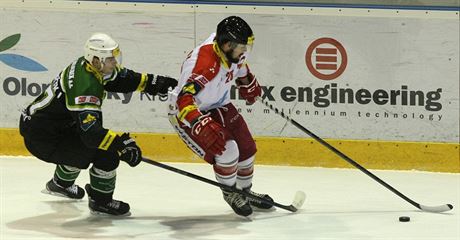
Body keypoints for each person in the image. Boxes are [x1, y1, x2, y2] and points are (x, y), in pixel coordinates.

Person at [19, 33, 178, 216]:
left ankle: (59, 184)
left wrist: (152, 82)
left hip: (47, 127)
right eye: (110, 59)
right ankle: (101, 202)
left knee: (80, 145)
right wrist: (121, 146)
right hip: (43, 139)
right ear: (96, 60)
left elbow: (120, 79)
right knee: (106, 155)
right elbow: (91, 135)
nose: (114, 63)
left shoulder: (89, 66)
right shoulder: (85, 85)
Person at [168, 16, 273, 217]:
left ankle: (244, 192)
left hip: (219, 104)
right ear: (226, 45)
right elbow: (184, 99)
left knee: (247, 148)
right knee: (228, 150)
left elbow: (240, 66)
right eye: (242, 48)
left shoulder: (230, 49)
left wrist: (247, 81)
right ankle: (230, 192)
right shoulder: (204, 64)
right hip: (188, 112)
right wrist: (199, 122)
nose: (245, 52)